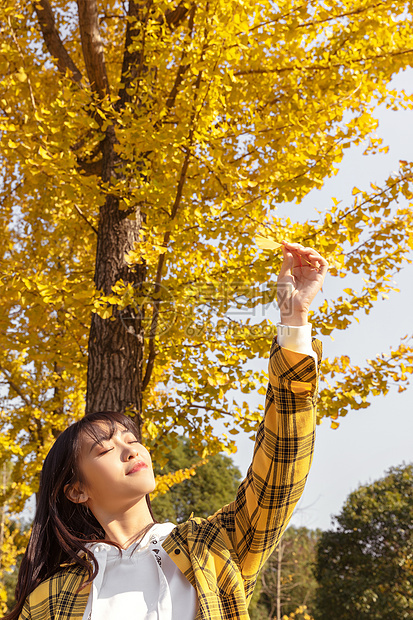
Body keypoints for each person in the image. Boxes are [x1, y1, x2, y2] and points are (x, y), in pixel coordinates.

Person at [6, 241, 328, 620]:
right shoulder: (50, 597)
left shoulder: (213, 548)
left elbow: (281, 468)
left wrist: (293, 321)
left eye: (132, 439)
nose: (130, 450)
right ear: (77, 490)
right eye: (105, 449)